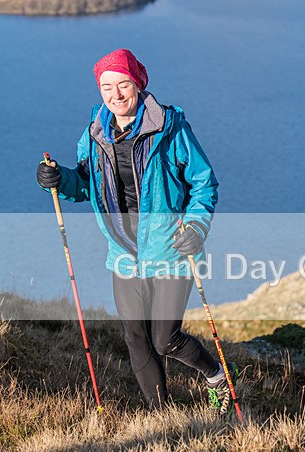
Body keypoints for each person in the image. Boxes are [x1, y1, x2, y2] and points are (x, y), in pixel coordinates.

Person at [35, 49, 235, 411]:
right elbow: (84, 185)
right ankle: (161, 417)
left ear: (139, 84)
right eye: (106, 86)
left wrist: (196, 226)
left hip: (171, 249)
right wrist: (57, 178)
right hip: (124, 253)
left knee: (165, 339)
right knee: (135, 337)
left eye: (123, 84)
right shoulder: (95, 135)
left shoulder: (170, 128)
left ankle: (217, 377)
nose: (115, 94)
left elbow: (204, 183)